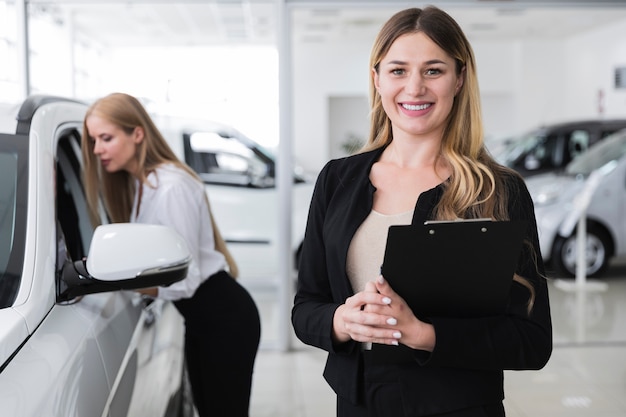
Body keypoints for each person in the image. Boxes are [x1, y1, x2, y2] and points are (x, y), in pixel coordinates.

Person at [291, 6, 552, 417]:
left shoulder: (497, 190)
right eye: (397, 70)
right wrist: (341, 323)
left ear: (459, 78)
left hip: (460, 407)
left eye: (433, 70)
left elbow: (531, 340)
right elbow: (306, 306)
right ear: (376, 79)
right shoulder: (337, 180)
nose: (414, 88)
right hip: (358, 404)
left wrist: (424, 334)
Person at [81, 92, 261, 417]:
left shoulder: (171, 187)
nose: (96, 150)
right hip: (201, 319)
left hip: (225, 318)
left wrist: (114, 281)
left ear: (137, 134)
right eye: (93, 140)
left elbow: (186, 281)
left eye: (105, 138)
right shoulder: (139, 185)